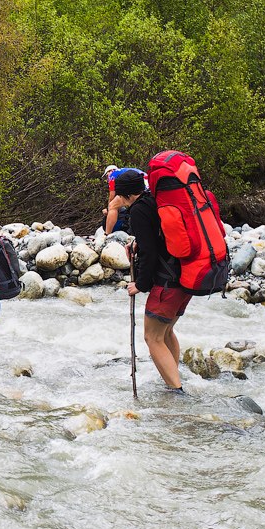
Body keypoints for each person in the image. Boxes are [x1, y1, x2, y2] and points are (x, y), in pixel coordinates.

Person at [116, 169, 186, 393]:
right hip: (186, 275)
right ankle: (172, 378)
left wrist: (141, 284)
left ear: (125, 195)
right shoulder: (156, 200)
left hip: (168, 281)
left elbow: (149, 252)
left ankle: (177, 391)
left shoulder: (138, 210)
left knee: (152, 337)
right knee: (165, 333)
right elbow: (158, 238)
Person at [102, 165, 148, 234]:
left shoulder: (113, 174)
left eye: (106, 175)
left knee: (112, 206)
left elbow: (112, 195)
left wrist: (108, 209)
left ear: (110, 171)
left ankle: (107, 234)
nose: (107, 178)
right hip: (146, 185)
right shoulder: (125, 170)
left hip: (137, 187)